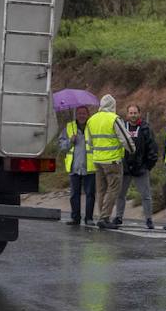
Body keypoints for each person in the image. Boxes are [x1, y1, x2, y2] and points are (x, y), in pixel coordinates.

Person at [110, 103, 158, 229]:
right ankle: (119, 217)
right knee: (120, 194)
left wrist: (147, 166)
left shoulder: (145, 128)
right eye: (130, 113)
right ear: (127, 115)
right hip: (124, 168)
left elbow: (152, 149)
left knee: (146, 195)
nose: (133, 115)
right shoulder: (121, 127)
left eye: (135, 113)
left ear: (139, 114)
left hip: (141, 168)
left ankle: (149, 219)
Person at [90, 94, 134, 229]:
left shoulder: (92, 119)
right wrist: (132, 149)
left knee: (101, 190)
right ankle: (104, 218)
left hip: (97, 159)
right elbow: (124, 138)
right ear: (112, 106)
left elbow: (89, 141)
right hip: (112, 160)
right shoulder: (113, 119)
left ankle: (101, 215)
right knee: (113, 189)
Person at [59, 105, 96, 226]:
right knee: (74, 195)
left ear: (88, 114)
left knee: (90, 194)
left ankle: (89, 218)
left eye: (84, 113)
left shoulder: (92, 127)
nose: (81, 115)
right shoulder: (69, 127)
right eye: (79, 113)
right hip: (74, 167)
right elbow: (61, 145)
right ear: (76, 114)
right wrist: (70, 141)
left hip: (90, 167)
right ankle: (75, 218)